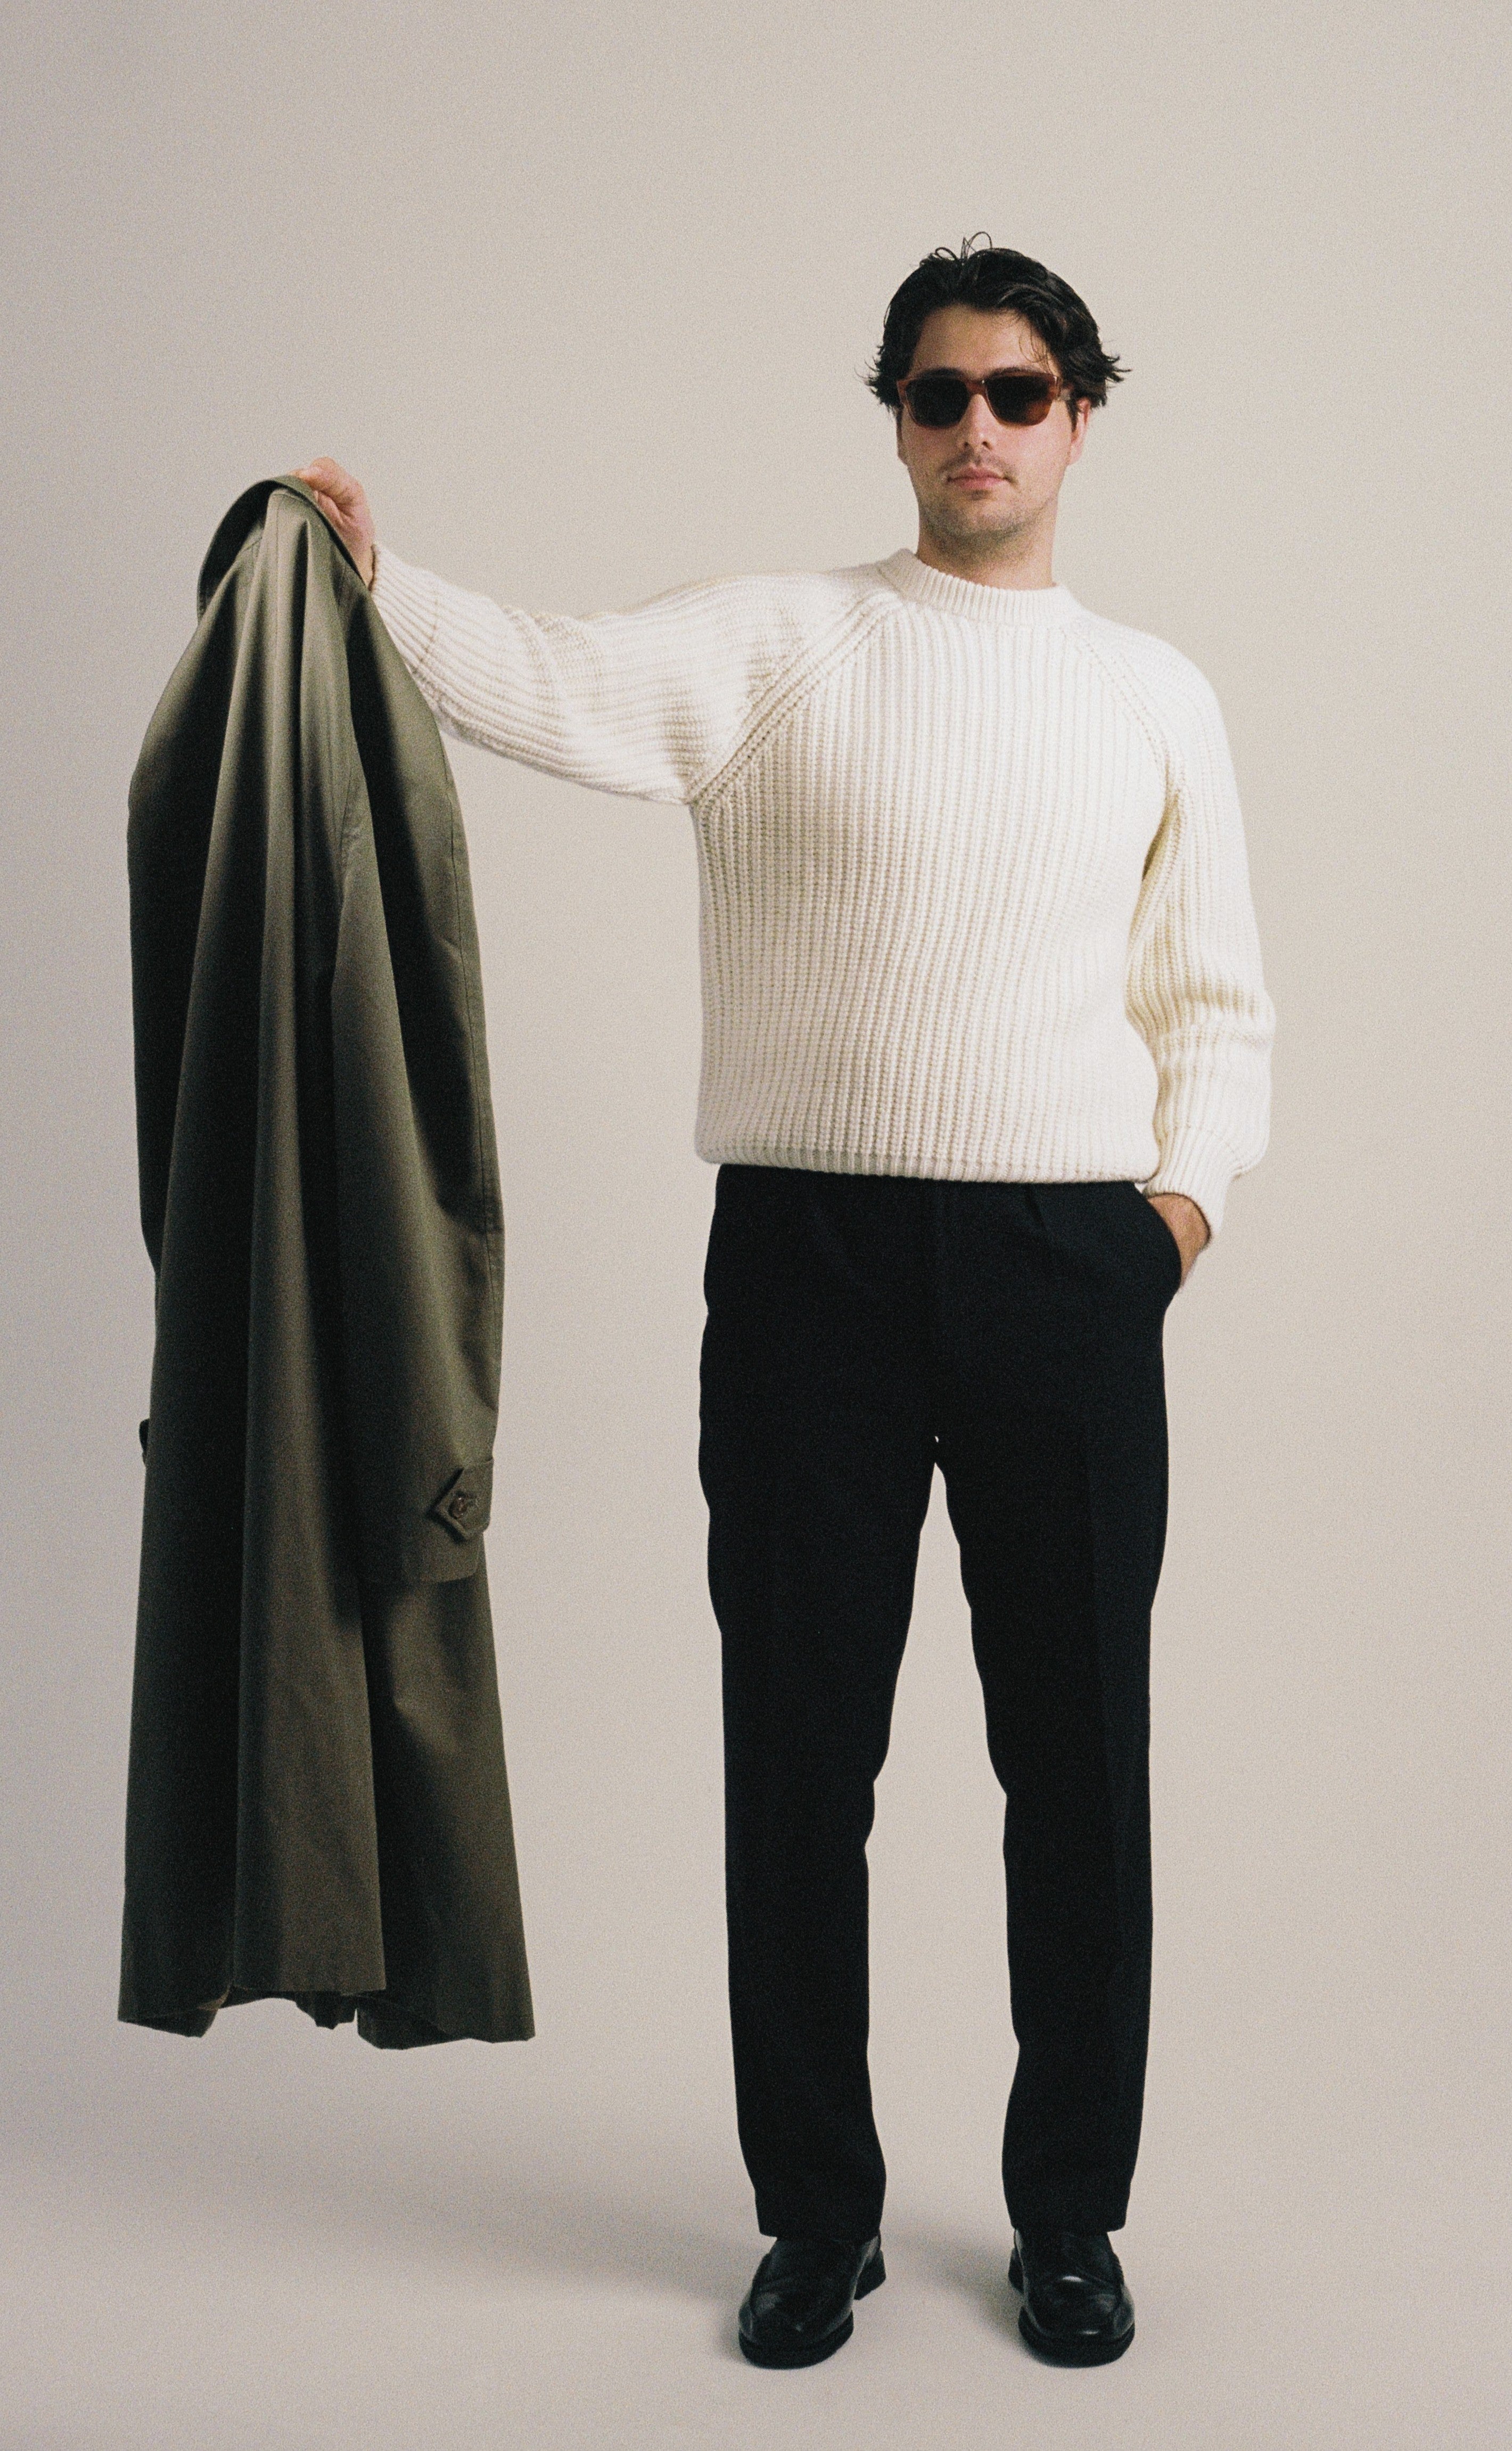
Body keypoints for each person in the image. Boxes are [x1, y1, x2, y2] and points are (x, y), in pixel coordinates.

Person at [297, 234, 1273, 2371]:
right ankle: (816, 2214)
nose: (979, 427)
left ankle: (1070, 2215)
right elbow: (553, 677)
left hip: (1064, 1270)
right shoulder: (782, 642)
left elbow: (1218, 1007)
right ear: (897, 420)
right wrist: (373, 578)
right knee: (799, 1762)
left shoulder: (1155, 692)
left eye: (1020, 393)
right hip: (810, 1268)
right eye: (940, 393)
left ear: (1080, 418)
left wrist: (1163, 1233)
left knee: (1078, 1769)